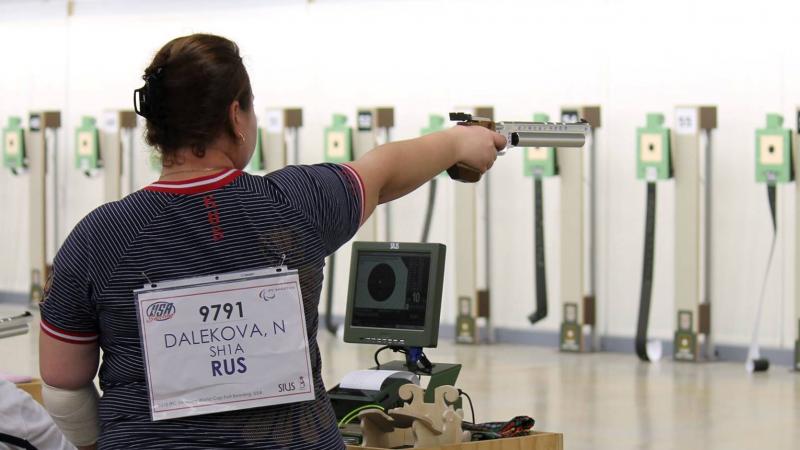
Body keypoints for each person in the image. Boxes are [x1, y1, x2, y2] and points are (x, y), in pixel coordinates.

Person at [38, 33, 504, 450]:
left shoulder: (97, 236)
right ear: (235, 116)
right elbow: (383, 172)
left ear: (157, 128)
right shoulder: (293, 204)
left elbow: (63, 385)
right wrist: (460, 143)